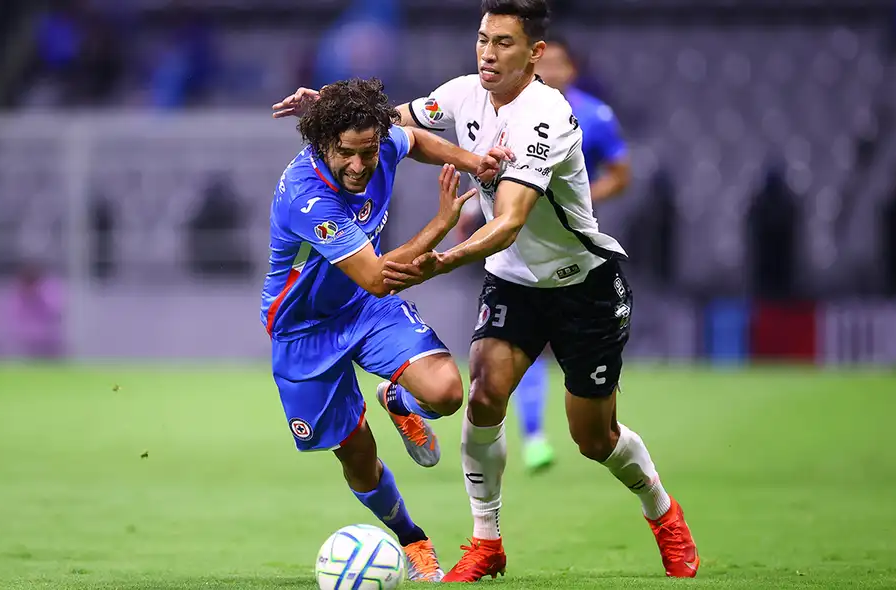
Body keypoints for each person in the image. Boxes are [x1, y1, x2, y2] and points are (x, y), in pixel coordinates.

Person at [274, 0, 699, 581]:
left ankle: (662, 511)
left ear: (535, 53)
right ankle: (486, 542)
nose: (487, 53)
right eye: (482, 39)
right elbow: (389, 120)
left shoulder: (545, 116)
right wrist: (328, 108)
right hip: (512, 282)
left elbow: (509, 221)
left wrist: (441, 257)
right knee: (480, 399)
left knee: (593, 438)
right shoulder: (461, 94)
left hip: (582, 284)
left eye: (502, 42)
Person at [263, 77, 510, 582]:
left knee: (445, 393)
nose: (359, 166)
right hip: (304, 329)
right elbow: (377, 276)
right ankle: (412, 538)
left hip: (361, 309)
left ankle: (400, 402)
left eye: (368, 152)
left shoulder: (382, 139)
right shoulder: (308, 198)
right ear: (322, 144)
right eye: (346, 154)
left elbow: (415, 139)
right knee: (358, 460)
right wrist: (441, 223)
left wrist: (473, 162)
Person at [454, 34, 633, 473]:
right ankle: (533, 433)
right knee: (512, 351)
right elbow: (501, 172)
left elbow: (621, 173)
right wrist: (472, 205)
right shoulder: (508, 111)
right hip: (515, 250)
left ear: (572, 70)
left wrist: (581, 198)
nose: (551, 71)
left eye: (559, 64)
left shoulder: (592, 115)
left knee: (592, 429)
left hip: (572, 250)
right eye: (545, 63)